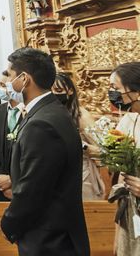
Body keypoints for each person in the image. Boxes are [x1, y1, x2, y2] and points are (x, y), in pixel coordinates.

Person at [0, 48, 89, 255]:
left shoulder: (42, 124)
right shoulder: (53, 111)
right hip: (57, 232)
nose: (7, 83)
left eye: (10, 76)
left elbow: (33, 187)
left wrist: (9, 223)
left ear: (24, 79)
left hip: (49, 238)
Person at [52, 72, 104, 201]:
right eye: (50, 91)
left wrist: (81, 145)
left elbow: (103, 149)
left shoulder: (81, 115)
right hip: (56, 172)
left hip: (82, 173)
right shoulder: (49, 113)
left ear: (69, 91)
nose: (54, 94)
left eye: (58, 90)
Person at [108, 62, 140, 256]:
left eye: (116, 88)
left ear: (136, 91)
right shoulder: (128, 120)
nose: (113, 94)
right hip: (130, 209)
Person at [0, 76, 24, 201]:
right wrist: (0, 181)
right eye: (0, 85)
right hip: (1, 182)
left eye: (3, 85)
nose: (1, 89)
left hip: (23, 184)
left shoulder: (29, 111)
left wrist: (13, 180)